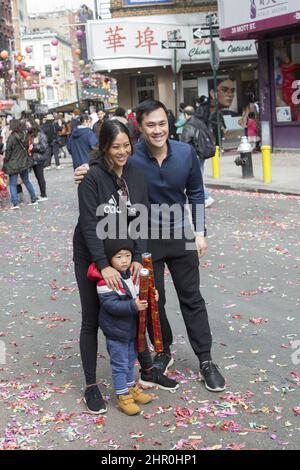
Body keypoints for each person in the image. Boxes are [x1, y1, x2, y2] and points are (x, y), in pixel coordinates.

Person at [75, 100, 226, 393]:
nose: (157, 130)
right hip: (144, 238)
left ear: (169, 124)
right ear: (140, 128)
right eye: (150, 125)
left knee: (192, 297)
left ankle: (206, 360)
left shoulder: (185, 153)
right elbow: (105, 163)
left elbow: (195, 193)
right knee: (153, 300)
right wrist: (83, 171)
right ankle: (163, 350)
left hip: (180, 231)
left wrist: (200, 232)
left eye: (162, 124)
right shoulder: (131, 155)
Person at [73, 119, 178, 414]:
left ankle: (145, 370)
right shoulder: (92, 177)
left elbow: (140, 220)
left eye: (126, 145)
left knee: (137, 309)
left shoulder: (136, 174)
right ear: (104, 147)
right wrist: (103, 265)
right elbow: (90, 225)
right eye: (115, 146)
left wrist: (137, 257)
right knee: (92, 317)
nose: (122, 152)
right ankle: (91, 385)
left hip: (126, 256)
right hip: (93, 256)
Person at [87, 239, 155, 416]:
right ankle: (122, 396)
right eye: (119, 257)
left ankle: (131, 387)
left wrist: (151, 295)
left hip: (131, 330)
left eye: (128, 256)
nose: (124, 260)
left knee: (131, 360)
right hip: (116, 331)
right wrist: (133, 306)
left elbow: (141, 294)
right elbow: (112, 305)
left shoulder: (131, 275)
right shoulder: (105, 282)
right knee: (120, 364)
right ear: (109, 260)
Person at [181, 106, 214, 208]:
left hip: (195, 153)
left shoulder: (189, 124)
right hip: (202, 152)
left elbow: (185, 140)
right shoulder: (199, 121)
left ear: (186, 114)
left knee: (196, 177)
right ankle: (202, 196)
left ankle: (206, 197)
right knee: (199, 175)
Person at [3, 119, 38, 209]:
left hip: (13, 163)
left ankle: (15, 203)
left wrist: (6, 160)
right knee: (26, 181)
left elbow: (8, 152)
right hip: (23, 162)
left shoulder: (11, 137)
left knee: (13, 184)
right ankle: (34, 198)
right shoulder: (24, 135)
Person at [28, 119, 49, 201]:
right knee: (38, 177)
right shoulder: (30, 135)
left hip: (39, 159)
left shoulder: (40, 135)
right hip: (33, 159)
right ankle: (42, 194)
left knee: (40, 177)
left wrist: (33, 147)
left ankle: (44, 195)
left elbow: (44, 146)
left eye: (28, 126)